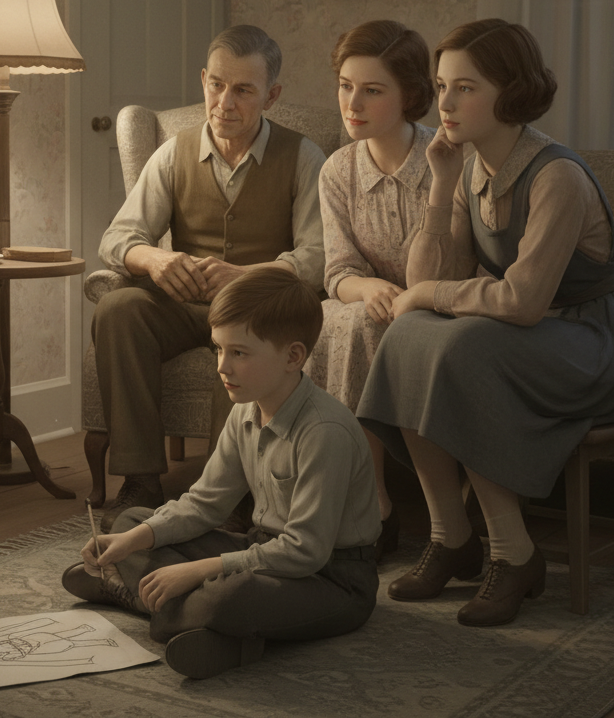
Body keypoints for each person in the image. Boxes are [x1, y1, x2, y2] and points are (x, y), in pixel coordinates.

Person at [356, 19, 614, 626]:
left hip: (594, 343)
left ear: (510, 92)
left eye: (465, 87)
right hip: (535, 335)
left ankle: (515, 553)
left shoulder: (557, 176)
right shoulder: (468, 169)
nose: (445, 103)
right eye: (442, 86)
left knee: (467, 349)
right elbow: (424, 283)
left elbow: (522, 302)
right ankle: (451, 536)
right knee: (407, 336)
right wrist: (440, 187)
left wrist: (430, 294)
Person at [63, 267, 380, 680]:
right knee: (132, 520)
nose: (222, 367)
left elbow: (304, 552)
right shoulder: (244, 411)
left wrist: (196, 571)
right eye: (218, 350)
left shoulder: (325, 432)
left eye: (239, 353)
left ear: (293, 356)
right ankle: (201, 624)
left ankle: (140, 599)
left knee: (231, 596)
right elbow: (203, 504)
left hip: (333, 580)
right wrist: (129, 542)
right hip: (261, 549)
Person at [94, 25, 327, 530]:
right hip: (183, 305)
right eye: (217, 84)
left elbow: (319, 255)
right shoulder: (173, 153)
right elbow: (117, 238)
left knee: (245, 339)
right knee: (119, 308)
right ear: (203, 80)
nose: (225, 102)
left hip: (258, 310)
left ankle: (233, 496)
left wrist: (247, 276)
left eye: (243, 89)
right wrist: (154, 260)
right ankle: (139, 482)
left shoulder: (304, 157)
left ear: (272, 94)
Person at [303, 20, 436, 562]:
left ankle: (376, 507)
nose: (351, 103)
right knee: (346, 320)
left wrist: (401, 295)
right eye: (344, 85)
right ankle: (368, 499)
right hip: (363, 302)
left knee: (373, 324)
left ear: (410, 96)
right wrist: (369, 287)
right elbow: (336, 273)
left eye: (372, 90)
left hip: (433, 304)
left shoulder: (448, 161)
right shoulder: (338, 169)